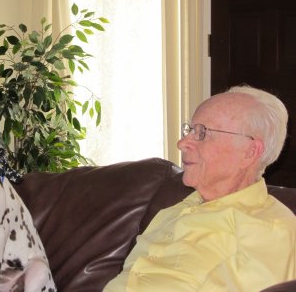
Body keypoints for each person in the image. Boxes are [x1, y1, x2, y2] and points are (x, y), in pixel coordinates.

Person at [104, 85, 296, 291]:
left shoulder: (273, 230)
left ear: (250, 151)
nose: (181, 143)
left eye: (202, 133)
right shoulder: (175, 210)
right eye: (190, 130)